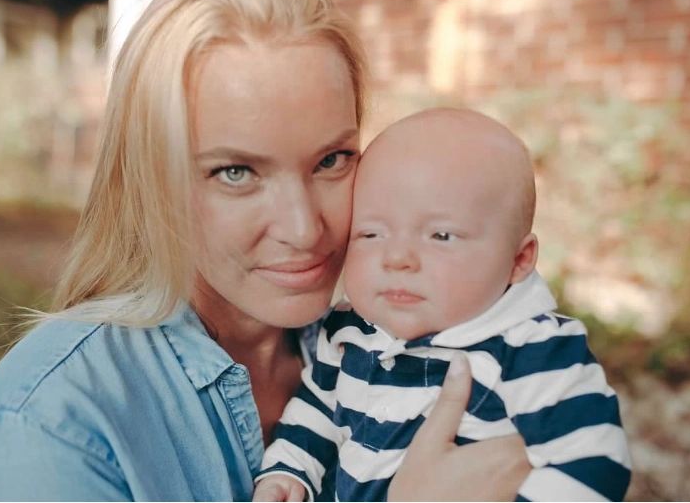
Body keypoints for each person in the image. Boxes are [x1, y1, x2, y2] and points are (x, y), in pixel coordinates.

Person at [0, 0, 530, 502]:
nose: (305, 230)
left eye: (332, 160)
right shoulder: (47, 421)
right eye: (236, 172)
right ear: (150, 178)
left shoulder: (397, 340)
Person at [253, 108, 632, 502]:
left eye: (441, 235)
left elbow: (594, 461)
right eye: (370, 233)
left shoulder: (533, 350)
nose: (397, 257)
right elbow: (316, 411)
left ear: (518, 260)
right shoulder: (350, 330)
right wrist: (289, 469)